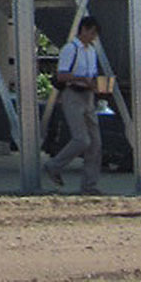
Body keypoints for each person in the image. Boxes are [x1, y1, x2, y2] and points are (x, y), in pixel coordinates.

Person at [44, 16, 104, 194]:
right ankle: (54, 165)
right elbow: (62, 75)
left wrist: (97, 84)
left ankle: (89, 185)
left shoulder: (91, 50)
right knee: (81, 139)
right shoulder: (70, 49)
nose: (93, 37)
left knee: (95, 143)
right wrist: (82, 79)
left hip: (88, 96)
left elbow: (92, 74)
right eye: (92, 32)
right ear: (83, 29)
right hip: (73, 95)